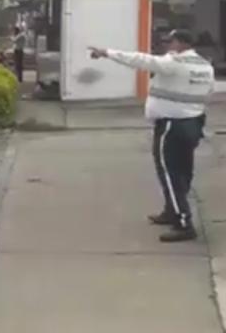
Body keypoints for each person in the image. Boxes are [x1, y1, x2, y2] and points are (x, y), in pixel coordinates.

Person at [89, 29, 214, 242]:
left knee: (170, 173)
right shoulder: (204, 66)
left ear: (181, 43)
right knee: (183, 171)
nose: (166, 46)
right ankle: (171, 210)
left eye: (170, 41)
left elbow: (139, 60)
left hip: (171, 126)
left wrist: (107, 52)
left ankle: (183, 223)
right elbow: (208, 92)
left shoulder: (172, 63)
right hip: (193, 124)